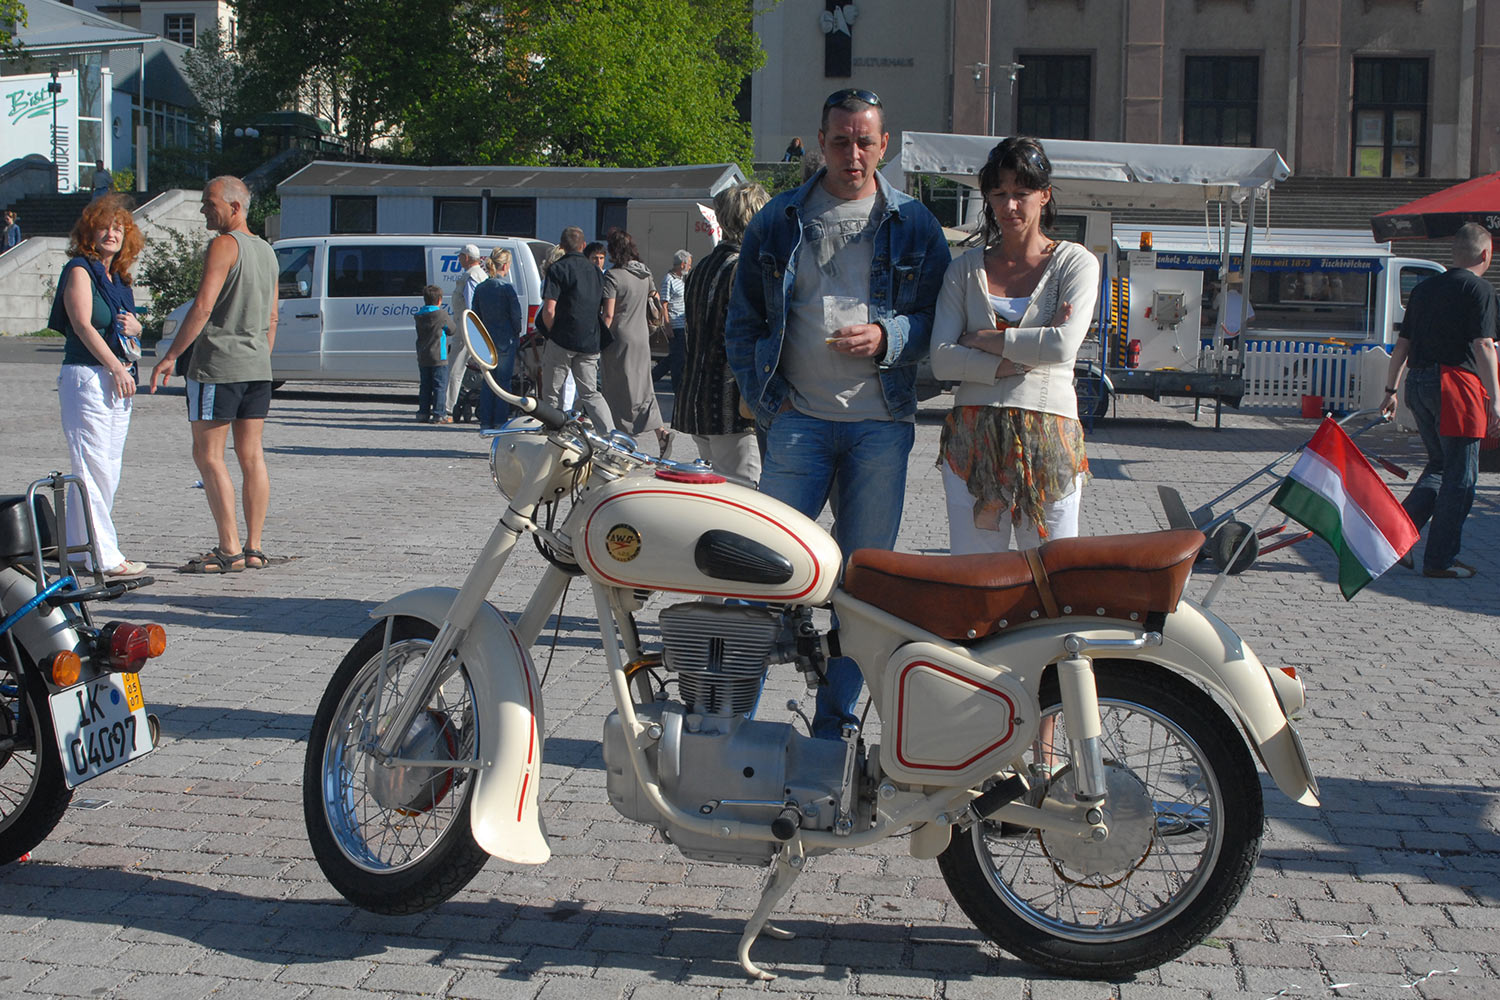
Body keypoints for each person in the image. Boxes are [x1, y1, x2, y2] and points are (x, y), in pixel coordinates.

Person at [725, 88, 949, 739]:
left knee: (864, 584)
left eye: (865, 141)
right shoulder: (779, 219)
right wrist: (769, 401)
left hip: (880, 426)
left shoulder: (915, 223)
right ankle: (730, 712)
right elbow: (743, 324)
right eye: (841, 140)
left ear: (884, 146)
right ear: (821, 142)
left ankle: (835, 719)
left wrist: (889, 338)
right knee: (764, 568)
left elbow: (939, 319)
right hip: (799, 425)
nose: (853, 153)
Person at [930, 136, 1099, 554]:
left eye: (1021, 194)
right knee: (974, 570)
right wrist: (1010, 362)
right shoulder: (965, 269)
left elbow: (1062, 347)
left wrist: (984, 339)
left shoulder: (1074, 262)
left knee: (1050, 571)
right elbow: (940, 359)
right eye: (999, 194)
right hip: (973, 435)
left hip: (1049, 431)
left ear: (1045, 195)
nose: (1009, 207)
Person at [148, 175, 280, 574]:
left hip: (218, 365)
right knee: (252, 455)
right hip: (257, 367)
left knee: (208, 454)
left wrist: (171, 355)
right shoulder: (268, 252)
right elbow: (273, 317)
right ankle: (254, 548)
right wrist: (258, 356)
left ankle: (229, 548)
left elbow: (203, 307)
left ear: (235, 207)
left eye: (210, 203)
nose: (204, 209)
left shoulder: (225, 245)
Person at [1380, 222, 1500, 579]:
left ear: (1453, 252)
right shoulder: (1479, 289)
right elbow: (1483, 345)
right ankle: (1440, 559)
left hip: (1418, 382)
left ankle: (1394, 540)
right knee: (1461, 477)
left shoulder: (1424, 288)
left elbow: (1403, 343)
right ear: (1486, 254)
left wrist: (1390, 391)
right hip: (1456, 385)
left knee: (1439, 466)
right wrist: (1495, 398)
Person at [49, 194, 147, 577]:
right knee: (93, 467)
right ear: (89, 232)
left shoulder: (118, 278)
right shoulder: (80, 270)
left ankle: (77, 548)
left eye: (119, 228)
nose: (112, 234)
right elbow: (83, 325)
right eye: (105, 227)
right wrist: (115, 368)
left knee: (109, 466)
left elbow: (127, 328)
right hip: (89, 376)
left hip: (119, 376)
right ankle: (104, 555)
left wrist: (138, 330)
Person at [678, 182, 769, 483]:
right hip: (732, 407)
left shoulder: (701, 266)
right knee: (744, 497)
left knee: (719, 495)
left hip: (697, 400)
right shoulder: (745, 268)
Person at [601, 229, 672, 456]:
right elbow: (656, 302)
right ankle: (661, 432)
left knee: (619, 388)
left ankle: (623, 439)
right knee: (644, 388)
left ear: (613, 250)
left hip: (620, 339)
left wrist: (599, 338)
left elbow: (609, 315)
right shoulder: (645, 273)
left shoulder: (613, 277)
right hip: (642, 337)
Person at [538, 226, 613, 428]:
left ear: (562, 246)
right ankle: (610, 434)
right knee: (590, 393)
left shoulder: (557, 269)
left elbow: (549, 310)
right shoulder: (597, 272)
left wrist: (552, 333)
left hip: (562, 338)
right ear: (583, 246)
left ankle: (552, 435)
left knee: (551, 392)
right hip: (590, 340)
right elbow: (604, 309)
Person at [472, 249, 523, 431]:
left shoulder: (481, 288)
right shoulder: (507, 288)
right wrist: (517, 333)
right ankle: (500, 420)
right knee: (503, 382)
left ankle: (485, 419)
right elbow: (516, 316)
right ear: (506, 266)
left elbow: (474, 317)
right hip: (505, 339)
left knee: (488, 382)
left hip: (486, 340)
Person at [444, 243, 487, 421]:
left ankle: (448, 407)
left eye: (460, 256)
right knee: (485, 368)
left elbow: (470, 307)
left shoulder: (470, 277)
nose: (459, 259)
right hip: (474, 328)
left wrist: (470, 329)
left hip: (466, 329)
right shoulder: (482, 275)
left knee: (455, 368)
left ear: (467, 258)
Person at [652, 249, 691, 389]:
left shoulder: (681, 280)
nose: (690, 267)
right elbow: (664, 303)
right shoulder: (669, 280)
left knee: (676, 355)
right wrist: (667, 324)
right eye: (689, 264)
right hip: (675, 324)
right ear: (682, 264)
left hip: (682, 324)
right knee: (678, 358)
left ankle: (652, 378)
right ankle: (677, 386)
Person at [413, 284, 450, 423]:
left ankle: (423, 413)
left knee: (425, 385)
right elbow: (451, 329)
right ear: (440, 300)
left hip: (423, 355)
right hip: (439, 356)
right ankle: (439, 413)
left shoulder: (419, 315)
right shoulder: (441, 314)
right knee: (440, 385)